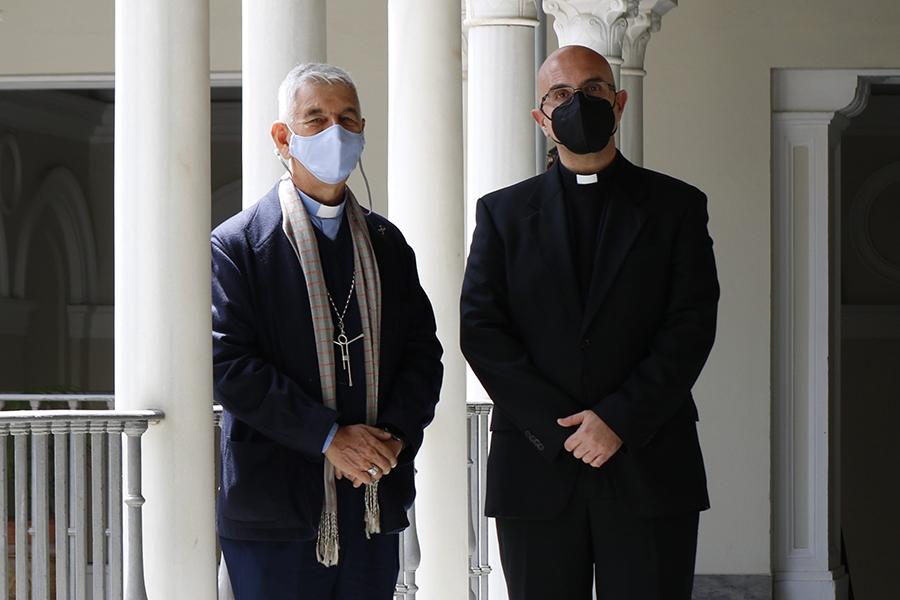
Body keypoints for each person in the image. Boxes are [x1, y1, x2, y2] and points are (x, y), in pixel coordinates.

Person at [460, 45, 719, 600]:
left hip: (649, 462)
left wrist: (619, 419)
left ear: (619, 103)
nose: (579, 102)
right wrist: (563, 427)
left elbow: (691, 325)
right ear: (541, 118)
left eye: (595, 89)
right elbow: (482, 331)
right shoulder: (501, 214)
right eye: (560, 94)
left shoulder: (677, 207)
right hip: (536, 466)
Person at [211, 63, 443, 600]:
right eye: (315, 119)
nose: (334, 131)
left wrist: (390, 442)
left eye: (347, 119)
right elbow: (230, 366)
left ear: (362, 130)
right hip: (275, 509)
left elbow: (422, 355)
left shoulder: (387, 244)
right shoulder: (240, 245)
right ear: (281, 137)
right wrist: (329, 438)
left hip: (370, 498)